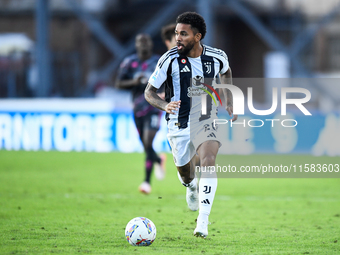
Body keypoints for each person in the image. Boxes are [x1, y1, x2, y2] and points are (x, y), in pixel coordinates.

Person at [145, 12, 237, 238]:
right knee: (186, 174)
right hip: (178, 123)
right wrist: (164, 105)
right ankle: (191, 187)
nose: (177, 38)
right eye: (176, 33)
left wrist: (229, 101)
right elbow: (149, 92)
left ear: (197, 37)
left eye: (183, 34)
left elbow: (226, 71)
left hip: (206, 117)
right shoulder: (168, 60)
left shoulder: (217, 57)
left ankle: (202, 222)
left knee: (208, 160)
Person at [116, 33, 166, 195]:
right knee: (146, 145)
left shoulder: (159, 62)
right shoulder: (129, 63)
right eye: (140, 42)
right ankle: (159, 159)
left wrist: (165, 95)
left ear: (151, 44)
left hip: (154, 106)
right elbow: (119, 83)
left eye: (146, 42)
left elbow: (170, 80)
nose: (143, 45)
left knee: (147, 140)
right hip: (137, 108)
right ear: (136, 45)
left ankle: (146, 182)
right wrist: (134, 82)